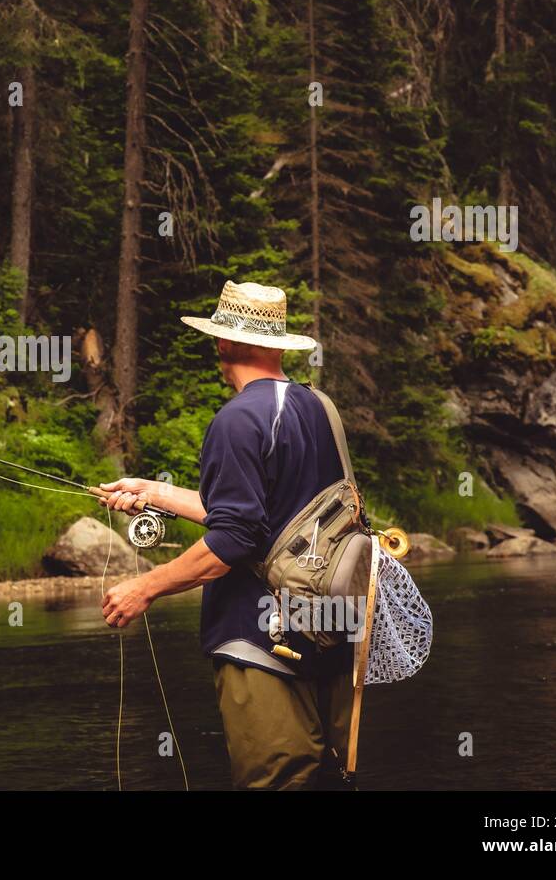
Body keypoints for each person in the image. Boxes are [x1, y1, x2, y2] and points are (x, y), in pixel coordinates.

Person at [98, 280, 353, 789]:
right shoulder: (318, 406)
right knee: (332, 777)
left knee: (277, 779)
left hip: (260, 637)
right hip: (331, 626)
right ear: (277, 344)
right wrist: (155, 492)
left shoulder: (238, 419)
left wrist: (143, 588)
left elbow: (235, 540)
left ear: (224, 342)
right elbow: (273, 520)